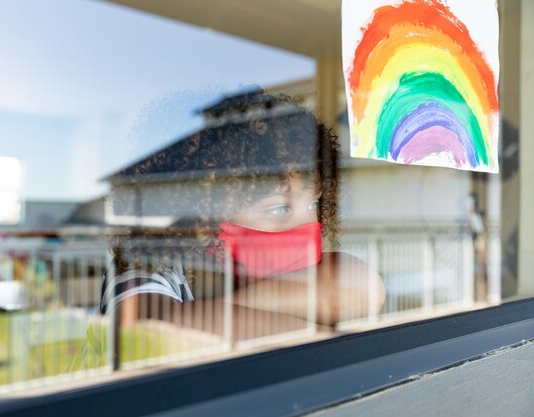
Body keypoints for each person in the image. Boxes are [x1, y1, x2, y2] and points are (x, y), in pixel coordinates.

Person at [91, 90, 383, 364]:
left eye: (313, 205)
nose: (305, 224)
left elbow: (367, 290)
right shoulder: (141, 271)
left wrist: (223, 309)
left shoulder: (298, 271)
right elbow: (150, 330)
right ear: (204, 214)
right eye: (278, 208)